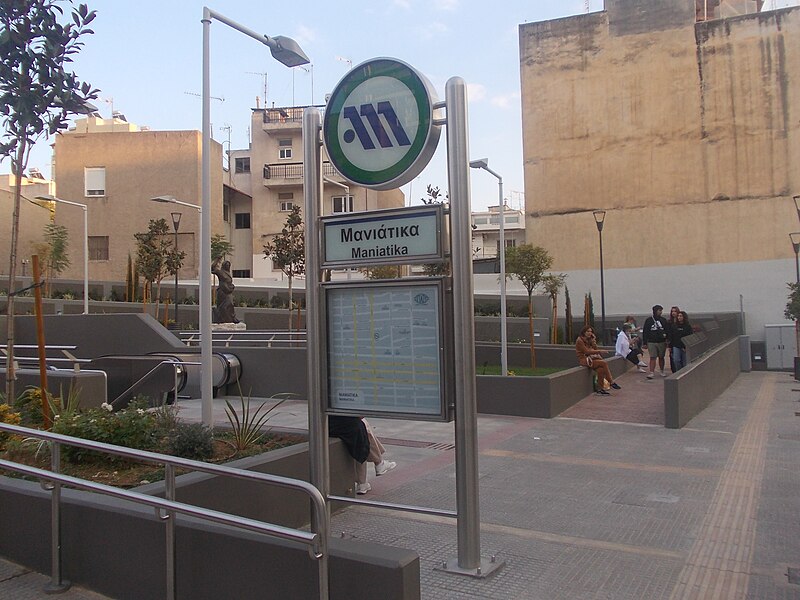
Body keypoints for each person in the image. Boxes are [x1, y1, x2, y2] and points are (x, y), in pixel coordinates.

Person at [328, 415, 396, 496]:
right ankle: (378, 464)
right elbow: (359, 415)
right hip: (345, 427)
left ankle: (366, 479)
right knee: (362, 431)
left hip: (330, 424)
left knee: (363, 428)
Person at [576, 325, 620, 395]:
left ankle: (600, 389)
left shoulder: (589, 339)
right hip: (584, 360)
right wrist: (600, 351)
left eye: (591, 331)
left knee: (601, 370)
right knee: (603, 363)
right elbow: (586, 352)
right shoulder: (579, 340)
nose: (589, 333)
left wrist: (593, 341)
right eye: (587, 331)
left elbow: (595, 349)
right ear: (584, 332)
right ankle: (611, 382)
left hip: (591, 359)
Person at [642, 304, 669, 379]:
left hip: (661, 341)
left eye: (661, 310)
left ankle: (662, 370)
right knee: (652, 357)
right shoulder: (649, 320)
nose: (660, 312)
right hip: (651, 341)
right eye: (659, 310)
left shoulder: (663, 320)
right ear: (655, 311)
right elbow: (645, 331)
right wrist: (645, 342)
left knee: (661, 357)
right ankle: (651, 372)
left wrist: (667, 339)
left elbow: (667, 330)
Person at [212, 258, 239, 324]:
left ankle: (232, 317)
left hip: (228, 291)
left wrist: (231, 286)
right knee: (224, 306)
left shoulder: (228, 273)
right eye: (226, 265)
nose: (227, 266)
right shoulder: (220, 272)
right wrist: (217, 260)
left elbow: (229, 282)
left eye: (228, 265)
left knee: (231, 304)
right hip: (222, 291)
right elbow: (212, 269)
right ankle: (221, 318)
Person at [667, 306, 680, 373]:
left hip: (679, 342)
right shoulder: (669, 322)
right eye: (672, 311)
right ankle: (674, 371)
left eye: (675, 311)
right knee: (673, 357)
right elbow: (669, 333)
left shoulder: (680, 322)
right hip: (672, 342)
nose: (673, 313)